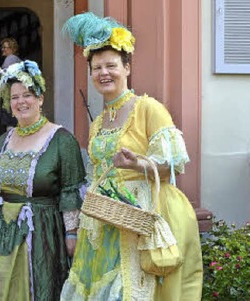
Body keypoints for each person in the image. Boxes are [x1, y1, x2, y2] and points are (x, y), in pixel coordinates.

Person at [60, 12, 203, 300]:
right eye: (97, 67)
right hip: (104, 218)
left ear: (127, 67)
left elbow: (173, 166)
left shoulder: (148, 108)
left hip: (140, 217)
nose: (104, 73)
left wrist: (137, 163)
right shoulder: (99, 122)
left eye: (111, 65)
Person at [0, 60, 86, 300]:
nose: (21, 102)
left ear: (40, 98)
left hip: (41, 233)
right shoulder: (3, 141)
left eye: (27, 95)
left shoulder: (61, 140)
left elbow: (71, 189)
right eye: (15, 97)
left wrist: (72, 233)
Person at [0, 37, 21, 161]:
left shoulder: (10, 59)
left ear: (12, 48)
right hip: (13, 94)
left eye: (5, 47)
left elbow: (5, 77)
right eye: (2, 47)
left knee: (10, 123)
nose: (2, 49)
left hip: (9, 95)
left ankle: (10, 152)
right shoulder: (16, 60)